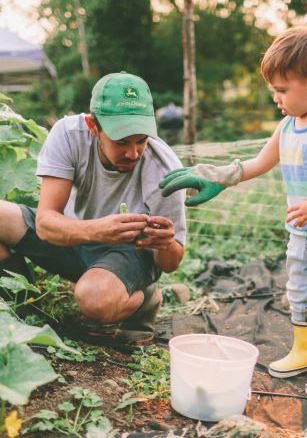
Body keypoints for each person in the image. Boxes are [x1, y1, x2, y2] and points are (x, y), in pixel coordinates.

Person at [159, 23, 307, 396]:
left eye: (281, 90)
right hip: (301, 234)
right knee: (299, 292)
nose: (276, 98)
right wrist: (221, 175)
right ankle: (306, 351)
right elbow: (259, 162)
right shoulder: (288, 125)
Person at [0, 71, 186, 348]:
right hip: (72, 237)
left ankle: (144, 300)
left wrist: (166, 244)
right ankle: (26, 310)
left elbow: (170, 265)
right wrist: (98, 230)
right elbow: (46, 222)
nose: (133, 153)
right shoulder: (68, 134)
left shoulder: (166, 169)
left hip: (126, 254)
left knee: (94, 300)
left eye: (141, 140)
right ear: (93, 126)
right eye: (121, 141)